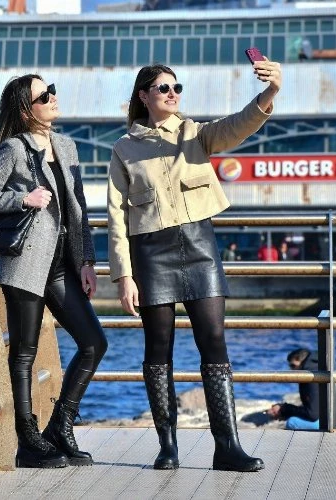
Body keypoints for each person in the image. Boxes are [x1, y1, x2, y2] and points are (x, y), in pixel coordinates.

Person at [107, 58, 281, 472]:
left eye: (177, 87)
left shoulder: (195, 133)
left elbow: (239, 125)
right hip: (151, 253)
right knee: (158, 348)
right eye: (163, 88)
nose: (173, 94)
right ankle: (167, 446)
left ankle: (228, 447)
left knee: (214, 340)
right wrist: (124, 275)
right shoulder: (124, 149)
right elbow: (116, 217)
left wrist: (271, 91)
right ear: (144, 96)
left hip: (200, 245)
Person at [0, 75, 108, 468]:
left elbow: (79, 211)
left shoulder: (67, 146)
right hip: (26, 264)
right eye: (43, 96)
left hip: (62, 265)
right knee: (24, 354)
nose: (53, 98)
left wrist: (86, 261)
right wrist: (23, 198)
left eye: (52, 91)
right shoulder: (14, 148)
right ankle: (28, 440)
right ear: (25, 109)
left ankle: (59, 427)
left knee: (94, 343)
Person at [267, 348, 336, 430]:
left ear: (301, 362)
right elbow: (315, 408)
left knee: (292, 422)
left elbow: (313, 415)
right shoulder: (321, 369)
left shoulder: (312, 376)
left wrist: (285, 409)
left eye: (293, 366)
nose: (291, 370)